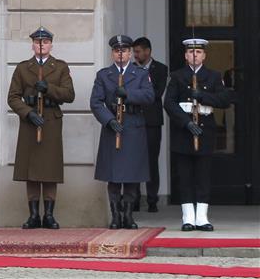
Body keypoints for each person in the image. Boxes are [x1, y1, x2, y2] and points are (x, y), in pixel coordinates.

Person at [7, 27, 75, 229]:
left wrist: (49, 89)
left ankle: (49, 215)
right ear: (33, 45)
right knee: (32, 170)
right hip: (30, 122)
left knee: (50, 169)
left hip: (51, 122)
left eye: (45, 42)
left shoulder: (60, 67)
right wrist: (28, 112)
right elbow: (12, 97)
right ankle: (34, 215)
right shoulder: (23, 68)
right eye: (37, 42)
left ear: (51, 44)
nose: (41, 45)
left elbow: (69, 94)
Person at [163, 38, 230, 231]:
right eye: (191, 52)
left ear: (204, 55)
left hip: (205, 129)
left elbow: (225, 99)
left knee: (203, 175)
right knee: (184, 176)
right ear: (185, 56)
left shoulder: (214, 76)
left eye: (198, 52)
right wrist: (186, 123)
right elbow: (169, 103)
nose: (195, 55)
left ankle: (202, 217)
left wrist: (203, 96)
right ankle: (187, 217)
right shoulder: (176, 76)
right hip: (183, 131)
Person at [90, 35, 154, 229]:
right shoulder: (104, 75)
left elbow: (150, 96)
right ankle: (116, 216)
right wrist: (109, 120)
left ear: (129, 53)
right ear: (112, 53)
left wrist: (129, 95)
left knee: (132, 176)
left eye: (125, 51)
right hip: (113, 128)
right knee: (114, 176)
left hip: (133, 126)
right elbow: (95, 102)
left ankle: (128, 216)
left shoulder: (140, 73)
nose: (121, 54)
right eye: (117, 51)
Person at [132, 37, 168, 213]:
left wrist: (137, 94)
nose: (135, 55)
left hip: (152, 121)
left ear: (148, 51)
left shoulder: (160, 69)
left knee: (152, 161)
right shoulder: (130, 69)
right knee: (135, 160)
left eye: (138, 51)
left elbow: (156, 93)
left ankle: (152, 199)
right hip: (134, 120)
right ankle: (135, 199)